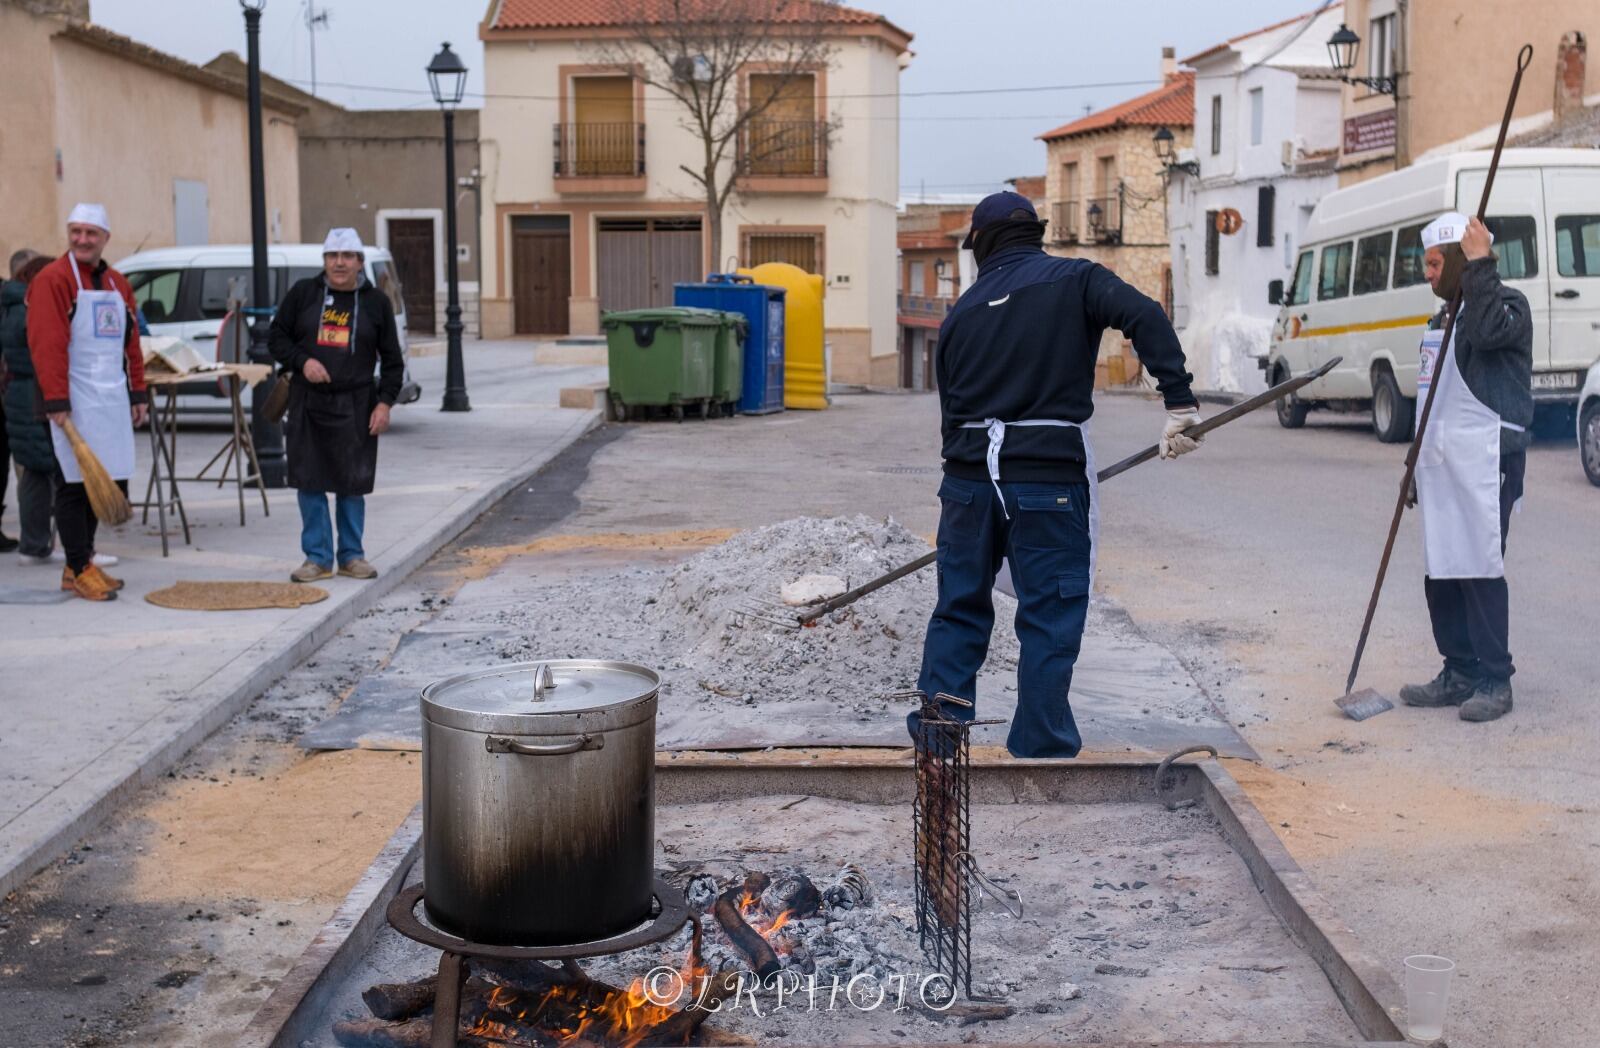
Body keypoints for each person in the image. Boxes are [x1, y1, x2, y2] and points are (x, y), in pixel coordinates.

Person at [912, 191, 1202, 758]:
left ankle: (939, 745)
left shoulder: (961, 314)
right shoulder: (1076, 280)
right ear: (1034, 235)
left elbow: (950, 418)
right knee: (1049, 613)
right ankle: (1040, 749)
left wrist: (967, 495)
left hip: (968, 485)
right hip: (1047, 481)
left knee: (959, 608)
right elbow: (1144, 313)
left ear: (983, 246)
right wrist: (1180, 402)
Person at [1399, 213, 1532, 723]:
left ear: (1458, 261)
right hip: (1441, 463)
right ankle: (1459, 670)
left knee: (1478, 567)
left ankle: (1495, 680)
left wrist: (1480, 266)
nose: (1427, 275)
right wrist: (1414, 462)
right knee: (1443, 568)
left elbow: (1487, 331)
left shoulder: (1504, 307)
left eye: (1435, 264)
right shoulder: (1439, 322)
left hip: (1487, 459)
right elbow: (1432, 399)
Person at [25, 204, 147, 600]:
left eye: (90, 233)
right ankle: (78, 567)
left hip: (110, 401)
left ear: (105, 238)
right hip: (71, 402)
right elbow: (47, 344)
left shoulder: (116, 284)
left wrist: (138, 393)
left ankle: (81, 564)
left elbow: (131, 344)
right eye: (75, 231)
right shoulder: (53, 280)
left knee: (104, 480)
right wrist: (56, 400)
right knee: (74, 487)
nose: (82, 239)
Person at [269, 228, 403, 583]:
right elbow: (277, 337)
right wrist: (302, 362)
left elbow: (392, 359)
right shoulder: (303, 294)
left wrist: (385, 403)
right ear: (325, 261)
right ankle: (316, 557)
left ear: (359, 262)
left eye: (347, 257)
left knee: (351, 484)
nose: (339, 263)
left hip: (357, 402)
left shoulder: (376, 303)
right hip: (308, 402)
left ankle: (352, 556)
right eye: (333, 256)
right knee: (309, 482)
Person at [3, 251, 59, 563]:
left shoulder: (14, 306)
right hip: (29, 395)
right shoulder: (26, 309)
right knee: (38, 471)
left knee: (35, 470)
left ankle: (35, 543)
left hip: (21, 394)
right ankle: (35, 544)